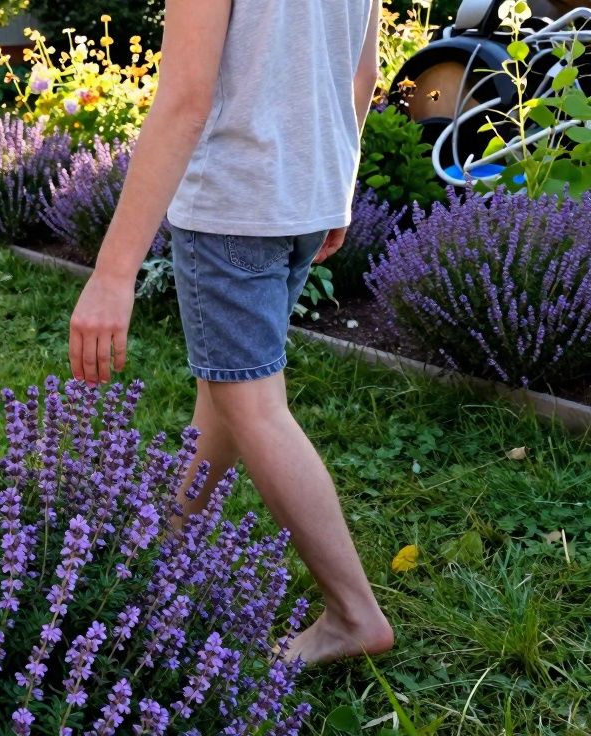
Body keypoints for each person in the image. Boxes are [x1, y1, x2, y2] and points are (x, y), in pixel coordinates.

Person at [68, 0, 394, 665]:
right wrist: (337, 185)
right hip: (303, 202)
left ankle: (353, 614)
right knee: (229, 392)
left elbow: (186, 98)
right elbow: (365, 72)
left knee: (255, 408)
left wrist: (112, 273)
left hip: (235, 206)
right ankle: (166, 551)